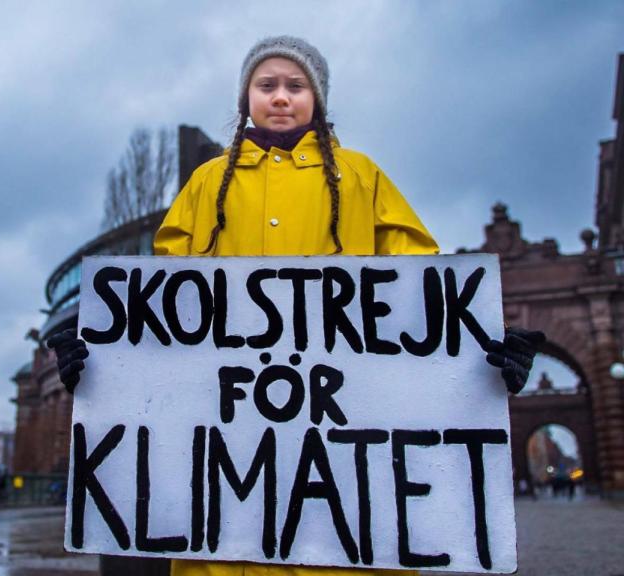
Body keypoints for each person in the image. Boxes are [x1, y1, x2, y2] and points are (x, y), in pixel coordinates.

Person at [48, 35, 544, 576]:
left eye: (296, 85)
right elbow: (163, 318)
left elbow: (418, 299)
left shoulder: (362, 177)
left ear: (318, 98)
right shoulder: (206, 185)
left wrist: (478, 357)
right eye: (267, 85)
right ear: (246, 99)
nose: (281, 97)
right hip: (221, 532)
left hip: (347, 522)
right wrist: (104, 362)